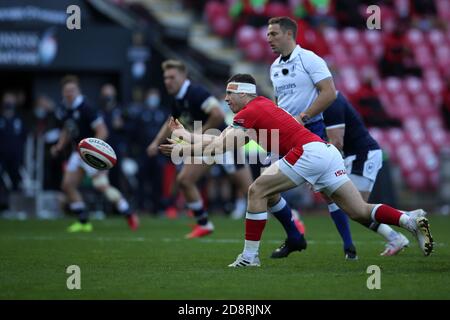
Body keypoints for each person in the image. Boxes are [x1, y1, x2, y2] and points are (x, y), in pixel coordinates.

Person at [159, 74, 434, 267]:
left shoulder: (250, 112)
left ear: (244, 93)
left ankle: (250, 257)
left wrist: (184, 149)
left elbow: (219, 148)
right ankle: (410, 221)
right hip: (324, 152)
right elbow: (219, 141)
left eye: (230, 93)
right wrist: (185, 136)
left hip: (307, 154)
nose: (226, 98)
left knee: (257, 190)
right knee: (358, 210)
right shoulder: (259, 107)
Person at [267, 16, 357, 259]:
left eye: (273, 34)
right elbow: (280, 103)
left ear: (288, 34)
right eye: (268, 34)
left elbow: (330, 93)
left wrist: (303, 117)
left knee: (332, 193)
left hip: (310, 130)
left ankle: (353, 244)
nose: (268, 38)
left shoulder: (310, 59)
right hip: (285, 133)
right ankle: (295, 237)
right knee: (265, 188)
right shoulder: (274, 67)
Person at [147, 60, 253, 238]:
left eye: (172, 77)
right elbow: (172, 121)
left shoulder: (196, 92)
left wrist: (197, 137)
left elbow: (218, 114)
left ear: (183, 76)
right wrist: (156, 141)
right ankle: (203, 224)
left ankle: (291, 219)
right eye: (165, 78)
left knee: (252, 190)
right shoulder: (178, 98)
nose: (168, 81)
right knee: (184, 180)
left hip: (224, 144)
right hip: (206, 146)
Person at [323, 93, 409, 256]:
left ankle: (407, 219)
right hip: (355, 155)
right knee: (351, 207)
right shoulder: (326, 101)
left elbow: (337, 141)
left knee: (356, 207)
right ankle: (397, 233)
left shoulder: (332, 101)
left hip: (363, 155)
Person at [51, 75, 139, 232]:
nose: (70, 93)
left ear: (78, 90)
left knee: (102, 187)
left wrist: (91, 151)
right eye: (67, 91)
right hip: (77, 153)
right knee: (67, 185)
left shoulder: (86, 108)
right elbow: (67, 128)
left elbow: (102, 131)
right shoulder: (64, 108)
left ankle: (128, 212)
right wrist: (59, 145)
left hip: (89, 153)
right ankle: (84, 221)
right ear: (63, 92)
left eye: (72, 90)